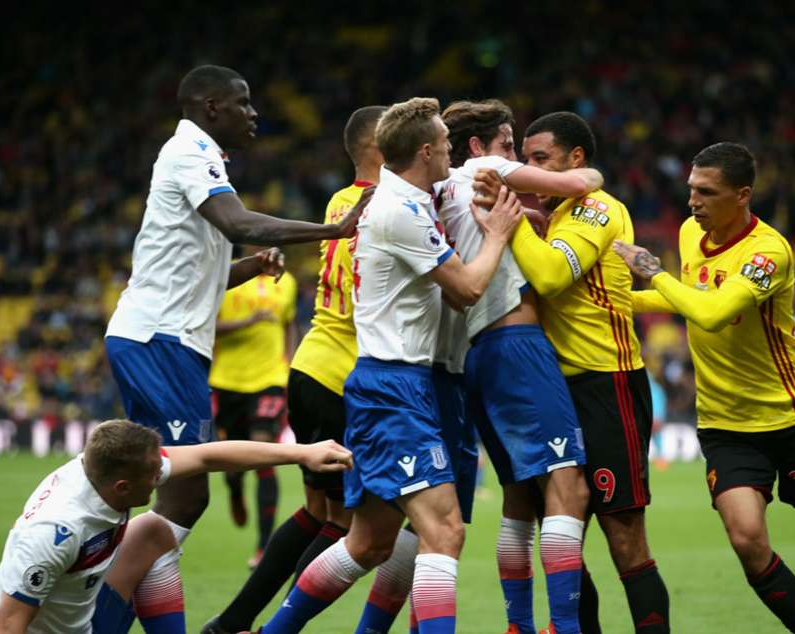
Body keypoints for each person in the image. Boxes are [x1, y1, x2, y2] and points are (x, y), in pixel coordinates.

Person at [102, 64, 369, 633]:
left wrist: (247, 269)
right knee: (180, 497)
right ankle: (100, 615)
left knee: (178, 499)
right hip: (158, 343)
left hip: (168, 344)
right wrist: (332, 231)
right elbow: (237, 221)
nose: (254, 114)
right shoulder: (191, 152)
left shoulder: (201, 159)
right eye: (243, 103)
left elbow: (198, 269)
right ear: (211, 107)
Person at [257, 97, 522, 634]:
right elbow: (467, 290)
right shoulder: (398, 211)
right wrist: (496, 235)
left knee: (370, 541)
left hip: (413, 384)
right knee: (443, 531)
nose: (452, 153)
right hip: (394, 388)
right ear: (426, 151)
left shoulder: (413, 200)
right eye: (446, 146)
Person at [614, 141, 795, 634]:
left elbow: (713, 313)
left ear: (741, 195)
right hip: (724, 424)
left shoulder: (768, 251)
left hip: (791, 415)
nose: (693, 201)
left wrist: (654, 273)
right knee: (746, 540)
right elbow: (686, 299)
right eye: (691, 189)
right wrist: (614, 301)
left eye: (706, 192)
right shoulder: (690, 234)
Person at [476, 111, 671, 633]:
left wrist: (508, 220)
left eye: (541, 159)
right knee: (560, 534)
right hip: (554, 388)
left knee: (624, 536)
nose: (529, 169)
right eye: (526, 159)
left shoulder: (597, 209)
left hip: (609, 384)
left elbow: (551, 275)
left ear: (575, 160)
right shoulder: (554, 218)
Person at [201, 105, 387, 634]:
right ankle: (276, 627)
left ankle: (231, 622)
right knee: (352, 529)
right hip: (340, 378)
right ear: (381, 145)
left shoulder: (341, 199)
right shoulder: (380, 208)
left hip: (307, 365)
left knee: (318, 516)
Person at [439, 99, 607, 634]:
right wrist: (591, 170)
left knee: (518, 496)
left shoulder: (444, 190)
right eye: (510, 144)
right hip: (517, 346)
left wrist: (526, 218)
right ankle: (565, 626)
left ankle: (519, 625)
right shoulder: (482, 169)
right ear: (476, 147)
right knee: (568, 487)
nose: (515, 155)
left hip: (476, 355)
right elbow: (584, 183)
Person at [0, 419, 352, 634]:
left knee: (153, 532)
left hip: (84, 619)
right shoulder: (54, 531)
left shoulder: (107, 472)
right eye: (155, 474)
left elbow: (207, 456)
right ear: (122, 487)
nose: (163, 474)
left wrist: (303, 452)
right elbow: (7, 625)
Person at [209, 251, 299, 568]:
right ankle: (234, 489)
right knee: (233, 464)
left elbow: (289, 324)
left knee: (264, 455)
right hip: (227, 380)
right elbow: (207, 326)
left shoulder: (286, 283)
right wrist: (248, 321)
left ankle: (263, 547)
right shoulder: (228, 280)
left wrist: (288, 363)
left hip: (270, 379)